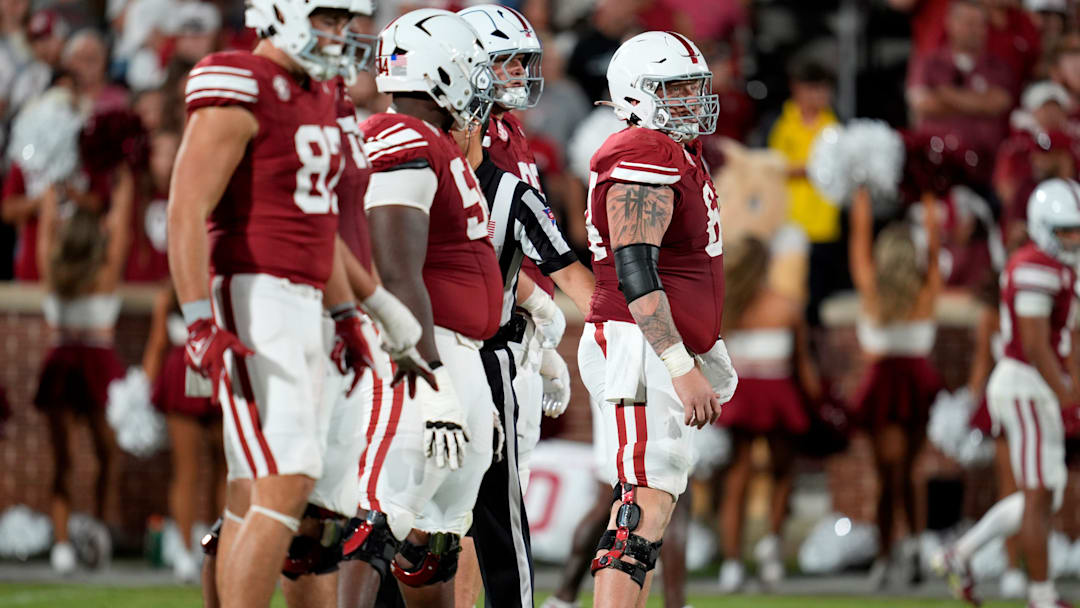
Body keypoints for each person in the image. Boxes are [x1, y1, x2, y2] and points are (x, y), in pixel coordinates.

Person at [166, 1, 378, 606]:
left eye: (344, 21)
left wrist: (345, 314)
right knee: (287, 483)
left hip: (307, 301)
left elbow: (320, 230)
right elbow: (186, 208)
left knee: (258, 492)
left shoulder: (316, 91)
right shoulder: (241, 81)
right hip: (256, 293)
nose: (339, 34)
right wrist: (197, 321)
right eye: (328, 19)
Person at [337, 9, 504, 608]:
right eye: (471, 66)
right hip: (417, 357)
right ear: (440, 70)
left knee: (437, 540)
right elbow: (395, 268)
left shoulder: (434, 141)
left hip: (455, 352)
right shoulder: (401, 135)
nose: (482, 81)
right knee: (381, 518)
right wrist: (432, 384)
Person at [576, 31, 737, 608]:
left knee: (651, 509)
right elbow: (635, 271)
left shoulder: (673, 150)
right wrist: (678, 363)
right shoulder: (645, 151)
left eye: (696, 88)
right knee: (637, 513)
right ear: (637, 94)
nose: (693, 101)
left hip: (651, 349)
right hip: (638, 347)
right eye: (676, 90)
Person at [934, 178, 1080, 608]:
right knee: (1038, 496)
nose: (1073, 238)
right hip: (1027, 385)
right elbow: (1035, 344)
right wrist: (1067, 394)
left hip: (1037, 385)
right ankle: (1041, 595)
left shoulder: (1059, 266)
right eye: (1065, 230)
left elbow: (1068, 337)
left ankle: (959, 554)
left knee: (1044, 492)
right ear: (1042, 227)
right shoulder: (1035, 265)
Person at [34, 146, 134, 574]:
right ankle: (95, 527)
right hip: (95, 364)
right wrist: (126, 171)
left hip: (60, 363)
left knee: (62, 459)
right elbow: (123, 220)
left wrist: (57, 185)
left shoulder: (53, 269)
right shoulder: (106, 272)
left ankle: (61, 545)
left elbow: (44, 225)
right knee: (107, 455)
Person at [714, 236, 822, 592]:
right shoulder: (786, 306)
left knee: (737, 477)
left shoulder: (724, 307)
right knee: (782, 473)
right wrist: (817, 402)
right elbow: (804, 366)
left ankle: (732, 563)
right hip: (777, 395)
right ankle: (771, 549)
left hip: (742, 396)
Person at [848, 187, 943, 588]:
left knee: (891, 475)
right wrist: (929, 193)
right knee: (908, 473)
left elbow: (858, 240)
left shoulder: (871, 286)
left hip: (889, 386)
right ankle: (910, 550)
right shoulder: (927, 288)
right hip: (917, 385)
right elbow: (936, 247)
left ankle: (894, 554)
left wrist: (862, 196)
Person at [142, 285, 224, 583]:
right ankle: (210, 553)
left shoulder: (174, 289)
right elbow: (158, 342)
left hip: (201, 365)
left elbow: (156, 344)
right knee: (208, 471)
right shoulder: (174, 291)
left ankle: (199, 555)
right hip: (199, 367)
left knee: (198, 471)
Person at [767, 58, 840, 326]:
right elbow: (772, 167)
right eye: (813, 88)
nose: (819, 96)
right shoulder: (780, 123)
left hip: (823, 225)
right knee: (788, 294)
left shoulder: (834, 124)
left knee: (818, 302)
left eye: (823, 89)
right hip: (788, 225)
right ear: (796, 88)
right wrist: (813, 168)